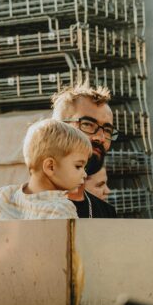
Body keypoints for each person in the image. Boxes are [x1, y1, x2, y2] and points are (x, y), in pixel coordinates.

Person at [0, 120, 90, 221]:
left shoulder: (4, 195)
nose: (84, 174)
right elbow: (70, 241)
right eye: (78, 166)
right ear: (50, 167)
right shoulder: (61, 209)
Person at [51, 81, 118, 219]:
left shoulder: (106, 213)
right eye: (87, 124)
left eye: (107, 130)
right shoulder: (16, 206)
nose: (100, 138)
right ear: (57, 129)